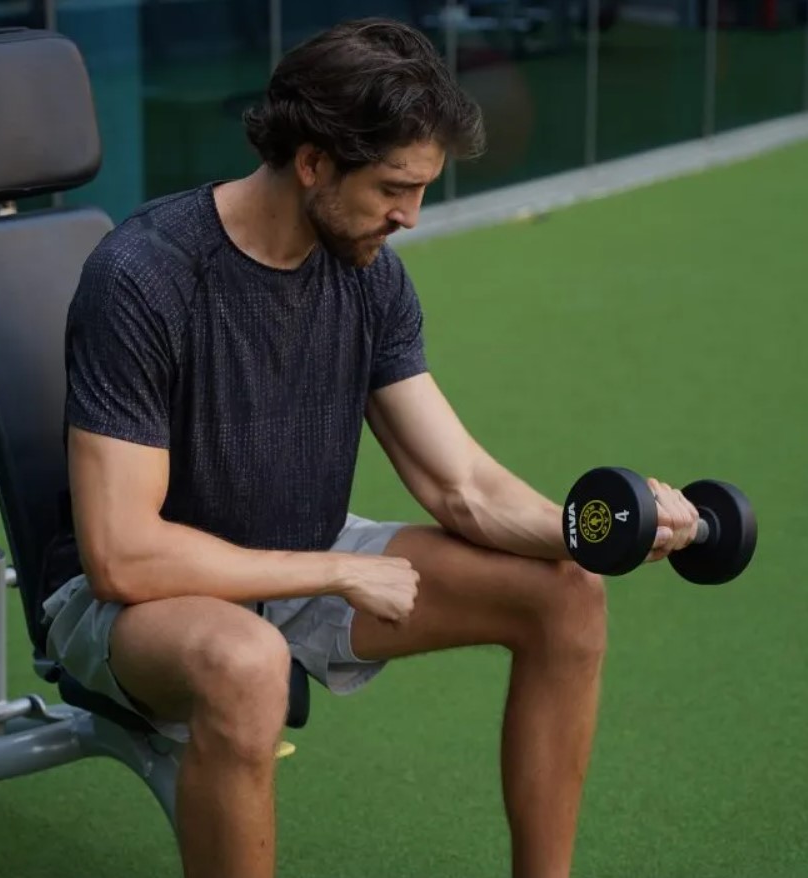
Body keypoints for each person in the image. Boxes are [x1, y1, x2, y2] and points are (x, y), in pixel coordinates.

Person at [39, 17, 700, 878]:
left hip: (298, 547)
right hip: (134, 604)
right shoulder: (146, 276)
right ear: (313, 161)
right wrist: (334, 571)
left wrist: (607, 527)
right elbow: (123, 556)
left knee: (567, 593)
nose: (410, 217)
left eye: (421, 190)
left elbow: (460, 484)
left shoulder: (367, 273)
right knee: (246, 660)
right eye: (395, 187)